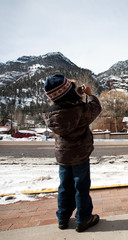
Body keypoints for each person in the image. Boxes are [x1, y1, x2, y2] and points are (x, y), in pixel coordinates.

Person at [42, 74, 102, 232]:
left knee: (64, 187)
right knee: (81, 187)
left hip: (63, 156)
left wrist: (77, 96)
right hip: (80, 155)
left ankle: (62, 218)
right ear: (69, 92)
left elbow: (66, 109)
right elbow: (95, 108)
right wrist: (89, 94)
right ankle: (83, 219)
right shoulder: (80, 110)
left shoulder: (51, 114)